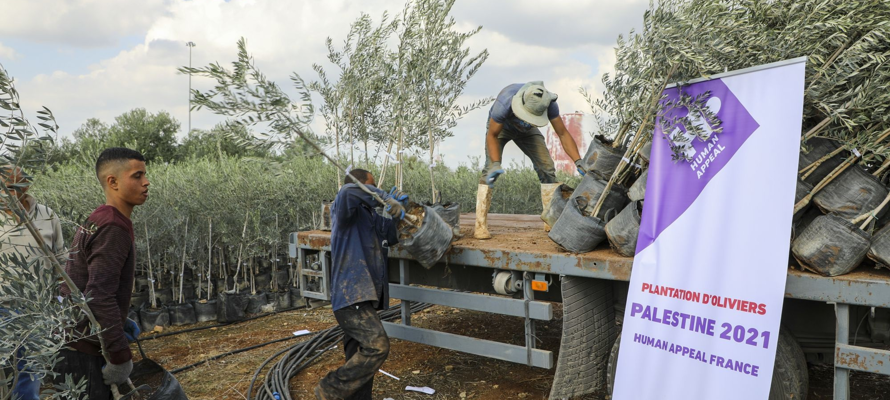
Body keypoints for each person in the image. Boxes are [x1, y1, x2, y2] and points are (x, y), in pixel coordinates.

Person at [55, 148, 149, 399]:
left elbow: (82, 278)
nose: (146, 182)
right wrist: (120, 357)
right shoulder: (113, 227)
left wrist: (118, 322)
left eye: (145, 175)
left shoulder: (100, 217)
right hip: (83, 350)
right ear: (113, 181)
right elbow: (98, 295)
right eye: (137, 176)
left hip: (74, 339)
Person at [314, 169, 406, 400]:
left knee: (360, 355)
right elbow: (347, 191)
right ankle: (331, 388)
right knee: (377, 346)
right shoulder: (344, 209)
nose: (374, 191)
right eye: (371, 186)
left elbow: (392, 235)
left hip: (363, 294)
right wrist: (385, 197)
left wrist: (398, 215)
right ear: (361, 186)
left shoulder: (370, 216)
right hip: (351, 294)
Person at [475, 81, 587, 239]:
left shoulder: (548, 104)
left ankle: (550, 220)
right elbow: (492, 135)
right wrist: (495, 163)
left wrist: (578, 161)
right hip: (502, 128)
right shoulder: (504, 102)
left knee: (547, 167)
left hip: (528, 132)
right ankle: (480, 226)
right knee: (489, 170)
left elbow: (562, 133)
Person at [0, 166, 66, 400]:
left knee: (31, 373)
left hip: (39, 307)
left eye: (11, 187)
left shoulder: (47, 216)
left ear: (25, 186)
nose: (6, 193)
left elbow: (60, 261)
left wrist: (60, 300)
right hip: (3, 307)